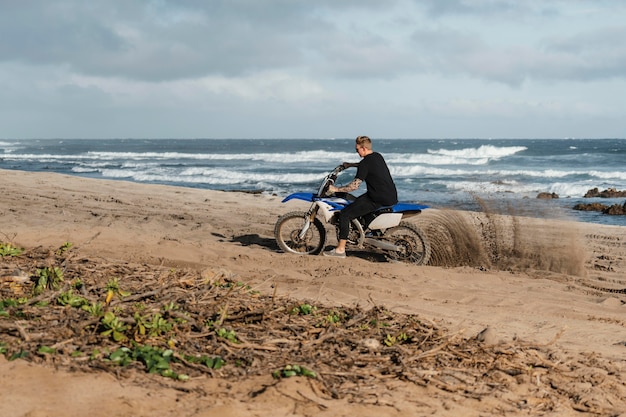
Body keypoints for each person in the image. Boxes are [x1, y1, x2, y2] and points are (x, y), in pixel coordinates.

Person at [323, 135, 397, 258]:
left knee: (345, 214)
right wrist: (350, 165)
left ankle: (340, 250)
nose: (356, 151)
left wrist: (336, 189)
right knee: (358, 202)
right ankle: (366, 233)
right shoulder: (377, 156)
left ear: (363, 148)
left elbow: (354, 186)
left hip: (377, 198)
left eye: (357, 149)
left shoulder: (365, 164)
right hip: (389, 195)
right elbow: (367, 165)